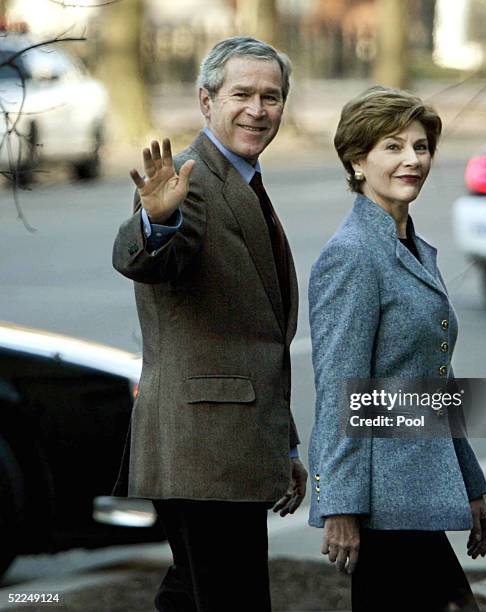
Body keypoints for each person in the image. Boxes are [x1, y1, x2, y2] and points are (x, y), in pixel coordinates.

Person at [111, 36, 307, 612]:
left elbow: (252, 337)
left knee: (191, 597)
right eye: (241, 93)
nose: (258, 109)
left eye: (271, 96)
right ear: (206, 101)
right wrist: (155, 221)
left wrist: (284, 446)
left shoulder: (245, 178)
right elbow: (149, 260)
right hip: (203, 450)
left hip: (226, 444)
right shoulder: (189, 181)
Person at [307, 86, 486, 611]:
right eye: (392, 147)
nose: (412, 159)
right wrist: (340, 507)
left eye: (420, 146)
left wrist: (470, 487)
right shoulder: (353, 256)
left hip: (420, 495)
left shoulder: (412, 248)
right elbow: (340, 390)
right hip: (381, 507)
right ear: (357, 160)